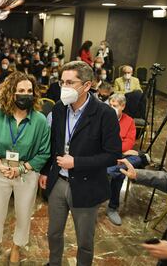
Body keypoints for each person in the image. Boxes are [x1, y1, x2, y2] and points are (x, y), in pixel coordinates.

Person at [40, 61, 122, 266]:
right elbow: (54, 143)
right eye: (62, 82)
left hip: (87, 184)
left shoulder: (105, 113)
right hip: (58, 181)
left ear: (86, 86)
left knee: (84, 241)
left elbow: (113, 155)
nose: (64, 87)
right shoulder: (59, 109)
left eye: (70, 82)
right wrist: (44, 170)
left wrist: (77, 162)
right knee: (53, 233)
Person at [0, 71, 50, 265]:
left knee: (23, 213)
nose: (25, 94)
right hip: (1, 170)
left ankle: (16, 247)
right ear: (12, 93)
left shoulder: (39, 120)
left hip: (26, 172)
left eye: (29, 90)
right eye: (21, 90)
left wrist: (20, 169)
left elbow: (44, 153)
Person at [106, 93, 149, 225]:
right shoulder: (103, 118)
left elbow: (129, 142)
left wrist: (119, 149)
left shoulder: (129, 121)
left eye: (115, 106)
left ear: (123, 106)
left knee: (133, 159)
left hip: (120, 157)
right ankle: (112, 208)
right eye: (110, 105)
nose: (111, 108)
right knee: (125, 167)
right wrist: (119, 148)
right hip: (105, 155)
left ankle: (108, 172)